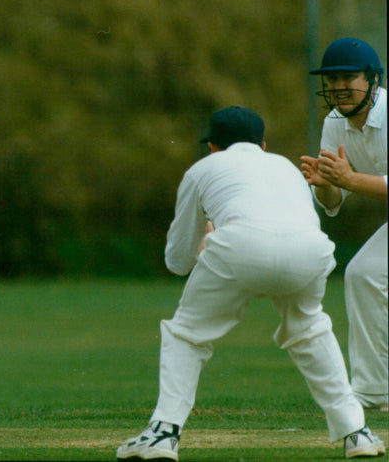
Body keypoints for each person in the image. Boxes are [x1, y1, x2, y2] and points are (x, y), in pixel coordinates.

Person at [116, 107, 385, 461]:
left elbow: (177, 261)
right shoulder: (285, 167)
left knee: (186, 333)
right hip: (312, 251)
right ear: (262, 144)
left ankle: (163, 434)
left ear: (212, 147)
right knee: (310, 328)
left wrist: (208, 238)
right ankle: (357, 432)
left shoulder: (203, 169)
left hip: (239, 248)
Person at [301, 37, 387, 413]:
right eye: (332, 79)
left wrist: (349, 180)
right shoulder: (335, 124)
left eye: (348, 77)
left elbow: (352, 182)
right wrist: (326, 186)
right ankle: (374, 390)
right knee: (363, 273)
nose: (338, 87)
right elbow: (334, 204)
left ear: (372, 79)